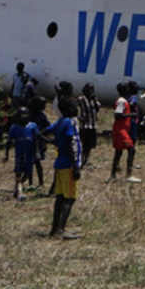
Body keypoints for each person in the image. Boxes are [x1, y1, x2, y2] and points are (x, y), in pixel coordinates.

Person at [43, 97, 82, 239]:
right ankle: (61, 229)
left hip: (59, 164)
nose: (76, 109)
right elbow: (71, 145)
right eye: (74, 107)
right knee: (70, 198)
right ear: (69, 109)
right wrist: (76, 167)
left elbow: (41, 133)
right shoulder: (68, 124)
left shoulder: (59, 122)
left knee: (60, 197)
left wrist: (54, 142)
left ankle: (54, 229)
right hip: (68, 165)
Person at [4, 106, 38, 201]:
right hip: (20, 154)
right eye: (21, 114)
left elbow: (36, 140)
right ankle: (20, 193)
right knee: (18, 174)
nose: (23, 116)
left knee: (28, 173)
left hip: (30, 153)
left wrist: (37, 152)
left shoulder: (33, 126)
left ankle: (18, 187)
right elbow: (9, 141)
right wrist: (6, 154)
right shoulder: (14, 128)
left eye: (25, 113)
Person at [110, 88, 140, 182]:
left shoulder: (123, 101)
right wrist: (131, 115)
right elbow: (117, 115)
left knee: (119, 152)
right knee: (131, 149)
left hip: (122, 130)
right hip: (121, 131)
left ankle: (113, 175)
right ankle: (128, 174)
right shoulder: (122, 101)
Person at [78, 83, 100, 168]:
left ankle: (86, 160)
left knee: (91, 145)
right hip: (85, 126)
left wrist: (94, 100)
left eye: (92, 89)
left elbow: (97, 109)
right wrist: (79, 117)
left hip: (93, 125)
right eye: (89, 89)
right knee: (85, 144)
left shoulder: (93, 99)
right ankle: (81, 160)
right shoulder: (81, 99)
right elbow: (73, 107)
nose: (90, 91)